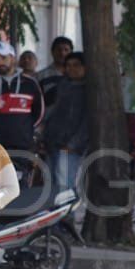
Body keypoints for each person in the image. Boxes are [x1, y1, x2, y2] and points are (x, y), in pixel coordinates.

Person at [0, 41, 45, 175]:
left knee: (24, 189)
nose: (0, 62)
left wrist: (27, 130)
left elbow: (40, 112)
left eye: (4, 58)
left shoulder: (30, 84)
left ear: (13, 58)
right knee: (1, 188)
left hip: (24, 146)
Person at [43, 51, 89, 194]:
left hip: (71, 145)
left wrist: (73, 144)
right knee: (52, 185)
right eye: (68, 65)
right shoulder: (61, 86)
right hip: (52, 142)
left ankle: (68, 216)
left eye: (76, 65)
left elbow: (87, 121)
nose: (71, 69)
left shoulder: (89, 89)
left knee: (65, 186)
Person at [36, 36, 73, 109]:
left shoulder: (78, 75)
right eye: (59, 50)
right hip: (49, 119)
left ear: (71, 52)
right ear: (52, 52)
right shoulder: (41, 76)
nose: (62, 53)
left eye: (66, 50)